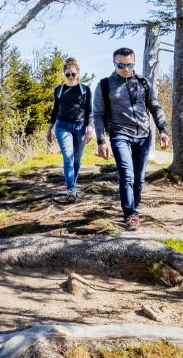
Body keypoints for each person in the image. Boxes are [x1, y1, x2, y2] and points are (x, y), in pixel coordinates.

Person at [93, 47, 169, 230]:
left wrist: (163, 130)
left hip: (144, 136)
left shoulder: (143, 82)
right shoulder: (104, 85)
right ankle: (131, 215)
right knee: (127, 175)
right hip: (120, 135)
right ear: (114, 63)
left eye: (129, 65)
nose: (125, 68)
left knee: (139, 179)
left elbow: (155, 107)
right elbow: (98, 115)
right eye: (120, 65)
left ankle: (133, 208)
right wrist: (101, 141)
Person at [46, 57, 94, 201]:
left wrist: (89, 128)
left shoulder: (85, 90)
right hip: (62, 126)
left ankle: (73, 183)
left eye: (73, 74)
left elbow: (89, 111)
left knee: (77, 160)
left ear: (78, 73)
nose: (71, 77)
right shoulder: (59, 90)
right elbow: (55, 110)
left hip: (79, 127)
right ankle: (71, 190)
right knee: (68, 158)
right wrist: (49, 128)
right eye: (68, 74)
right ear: (64, 74)